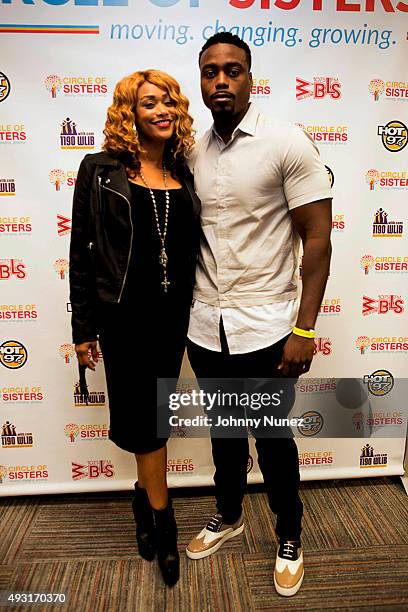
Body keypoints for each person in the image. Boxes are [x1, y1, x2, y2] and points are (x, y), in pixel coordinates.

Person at [185, 33, 332, 597]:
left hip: (270, 328)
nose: (221, 81)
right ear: (200, 80)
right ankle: (229, 515)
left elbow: (316, 241)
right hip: (204, 325)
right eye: (211, 72)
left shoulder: (286, 142)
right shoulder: (191, 151)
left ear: (251, 77)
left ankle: (290, 533)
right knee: (224, 434)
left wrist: (304, 328)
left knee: (272, 440)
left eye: (233, 71)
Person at [69, 69, 200, 587]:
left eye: (169, 101)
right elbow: (81, 253)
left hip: (173, 318)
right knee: (146, 422)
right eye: (150, 104)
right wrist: (84, 328)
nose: (163, 111)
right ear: (130, 113)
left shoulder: (183, 171)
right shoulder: (99, 170)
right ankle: (164, 524)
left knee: (155, 418)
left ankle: (142, 502)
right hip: (122, 317)